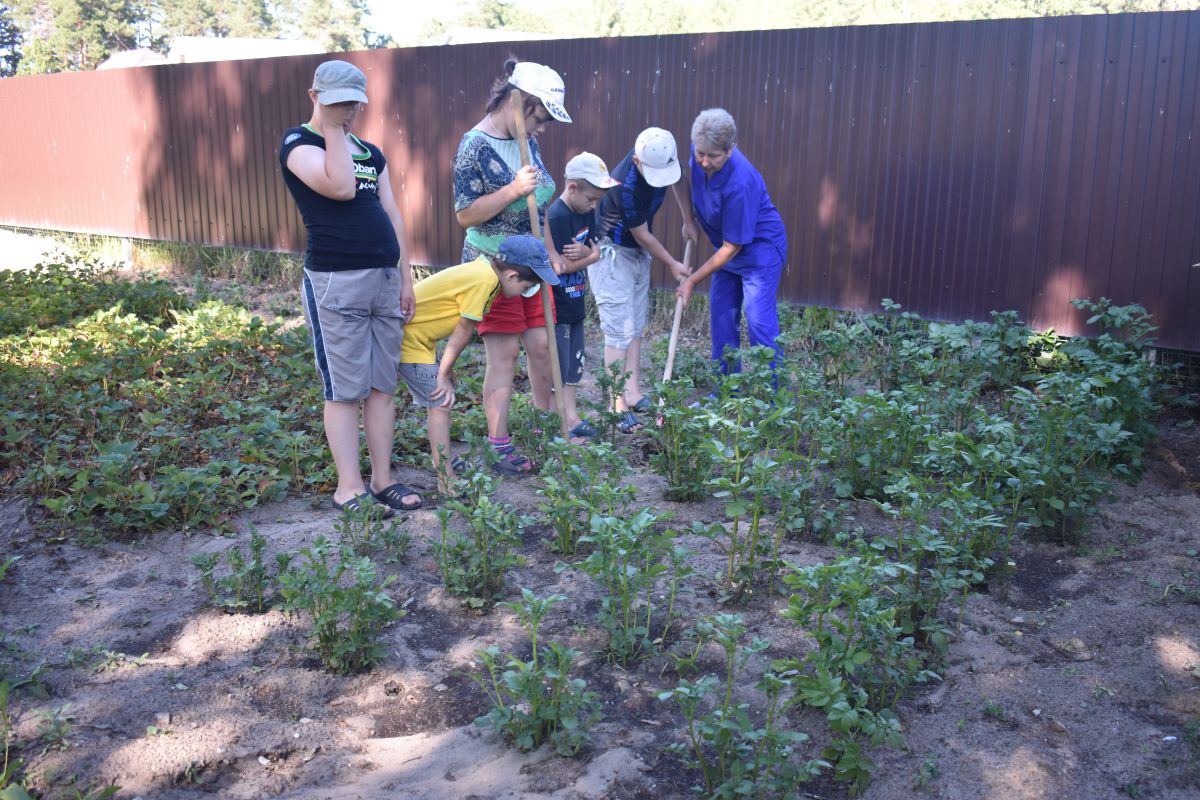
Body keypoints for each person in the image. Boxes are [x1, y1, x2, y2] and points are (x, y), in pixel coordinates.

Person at [279, 59, 421, 517]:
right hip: (336, 283)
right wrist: (333, 127)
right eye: (337, 101)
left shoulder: (371, 153)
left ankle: (383, 480)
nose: (348, 110)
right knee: (344, 389)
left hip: (383, 280)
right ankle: (348, 488)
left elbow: (393, 216)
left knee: (382, 386)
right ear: (314, 95)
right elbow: (339, 187)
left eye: (353, 103)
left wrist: (405, 277)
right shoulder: (298, 143)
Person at [452, 58, 571, 474]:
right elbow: (466, 215)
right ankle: (499, 444)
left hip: (534, 265)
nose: (543, 128)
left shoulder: (528, 140)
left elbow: (538, 206)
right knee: (502, 356)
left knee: (541, 347)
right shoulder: (474, 145)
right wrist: (511, 189)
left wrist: (551, 248)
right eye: (542, 117)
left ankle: (543, 430)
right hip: (496, 269)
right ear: (520, 100)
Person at [399, 235, 559, 493]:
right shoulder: (484, 282)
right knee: (440, 402)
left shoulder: (485, 270)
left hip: (421, 338)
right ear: (511, 277)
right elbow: (463, 330)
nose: (525, 294)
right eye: (527, 287)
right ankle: (445, 481)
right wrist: (441, 375)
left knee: (441, 399)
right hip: (409, 338)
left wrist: (446, 368)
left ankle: (446, 462)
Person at [590, 127, 691, 434]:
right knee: (618, 329)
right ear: (636, 161)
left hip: (635, 253)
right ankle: (616, 402)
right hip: (612, 253)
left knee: (634, 326)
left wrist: (689, 219)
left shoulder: (663, 157)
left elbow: (679, 181)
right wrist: (673, 263)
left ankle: (632, 393)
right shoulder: (625, 186)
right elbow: (642, 234)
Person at [677, 108, 788, 374]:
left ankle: (776, 401)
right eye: (700, 153)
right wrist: (689, 219)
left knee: (759, 322)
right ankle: (726, 393)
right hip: (726, 247)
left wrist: (692, 280)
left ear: (730, 150)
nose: (703, 161)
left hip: (760, 251)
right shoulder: (699, 152)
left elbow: (732, 247)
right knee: (722, 316)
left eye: (712, 156)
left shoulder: (741, 182)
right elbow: (681, 180)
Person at [543, 152, 618, 441]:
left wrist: (590, 253)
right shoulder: (558, 216)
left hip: (575, 302)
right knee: (558, 365)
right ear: (572, 187)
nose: (594, 205)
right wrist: (591, 257)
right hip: (558, 304)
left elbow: (592, 248)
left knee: (575, 362)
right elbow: (559, 267)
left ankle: (571, 415)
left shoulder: (586, 210)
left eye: (597, 200)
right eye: (591, 199)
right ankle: (556, 420)